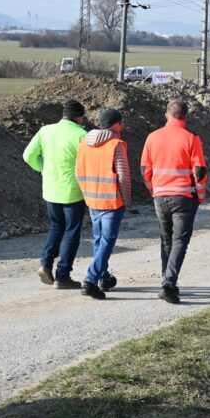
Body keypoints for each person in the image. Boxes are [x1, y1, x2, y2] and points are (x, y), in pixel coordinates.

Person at [141, 100, 207, 304]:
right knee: (180, 241)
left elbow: (145, 170)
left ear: (166, 115)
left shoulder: (152, 137)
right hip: (183, 197)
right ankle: (169, 283)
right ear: (185, 117)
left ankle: (166, 280)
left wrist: (154, 190)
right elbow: (200, 171)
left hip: (160, 196)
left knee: (166, 239)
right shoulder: (191, 138)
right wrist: (200, 195)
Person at [23, 99, 89, 289]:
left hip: (51, 189)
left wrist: (43, 169)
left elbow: (28, 156)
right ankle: (62, 275)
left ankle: (45, 264)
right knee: (72, 232)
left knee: (55, 227)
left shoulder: (45, 131)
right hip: (73, 192)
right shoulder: (81, 135)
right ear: (78, 117)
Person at [75, 107, 131, 300]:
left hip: (92, 199)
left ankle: (103, 277)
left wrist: (86, 193)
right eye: (121, 122)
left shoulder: (84, 143)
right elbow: (123, 176)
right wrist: (127, 199)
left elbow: (78, 172)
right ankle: (91, 280)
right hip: (112, 201)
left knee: (99, 240)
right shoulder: (117, 145)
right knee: (107, 241)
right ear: (115, 124)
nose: (123, 125)